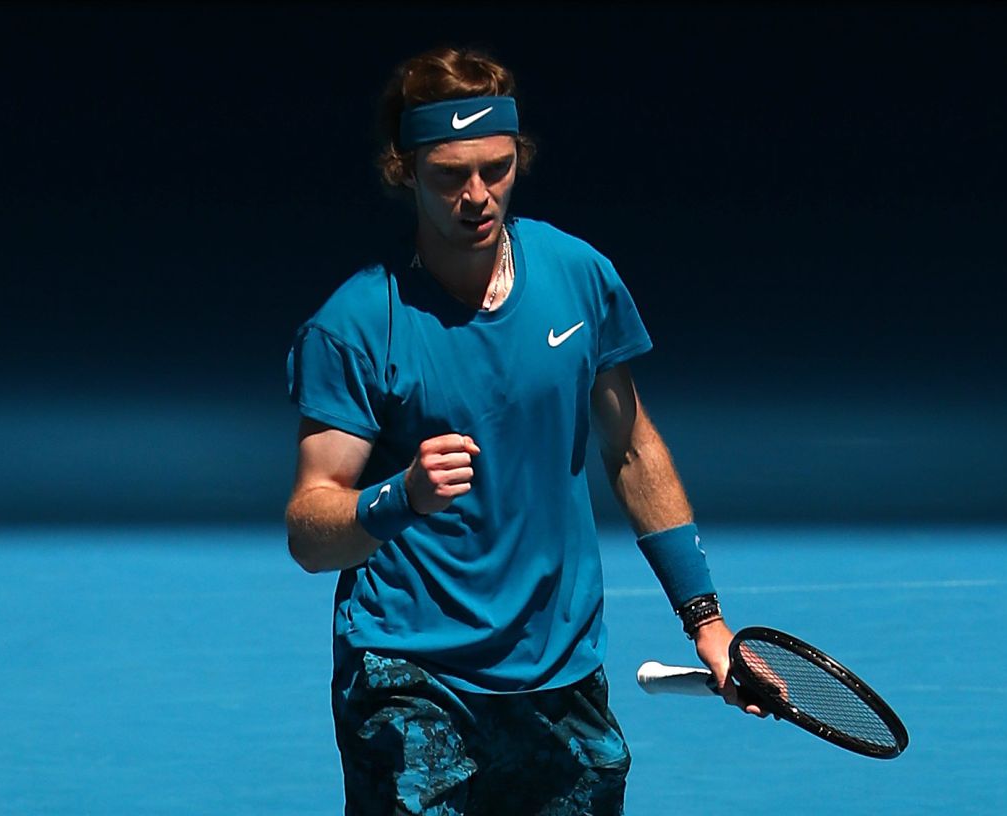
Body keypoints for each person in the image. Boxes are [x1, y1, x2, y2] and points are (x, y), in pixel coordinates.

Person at [285, 46, 760, 816]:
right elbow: (311, 530)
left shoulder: (579, 275)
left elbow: (632, 448)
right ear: (405, 170)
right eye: (449, 174)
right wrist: (399, 497)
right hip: (410, 674)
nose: (477, 195)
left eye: (497, 169)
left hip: (561, 671)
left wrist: (704, 619)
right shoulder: (354, 326)